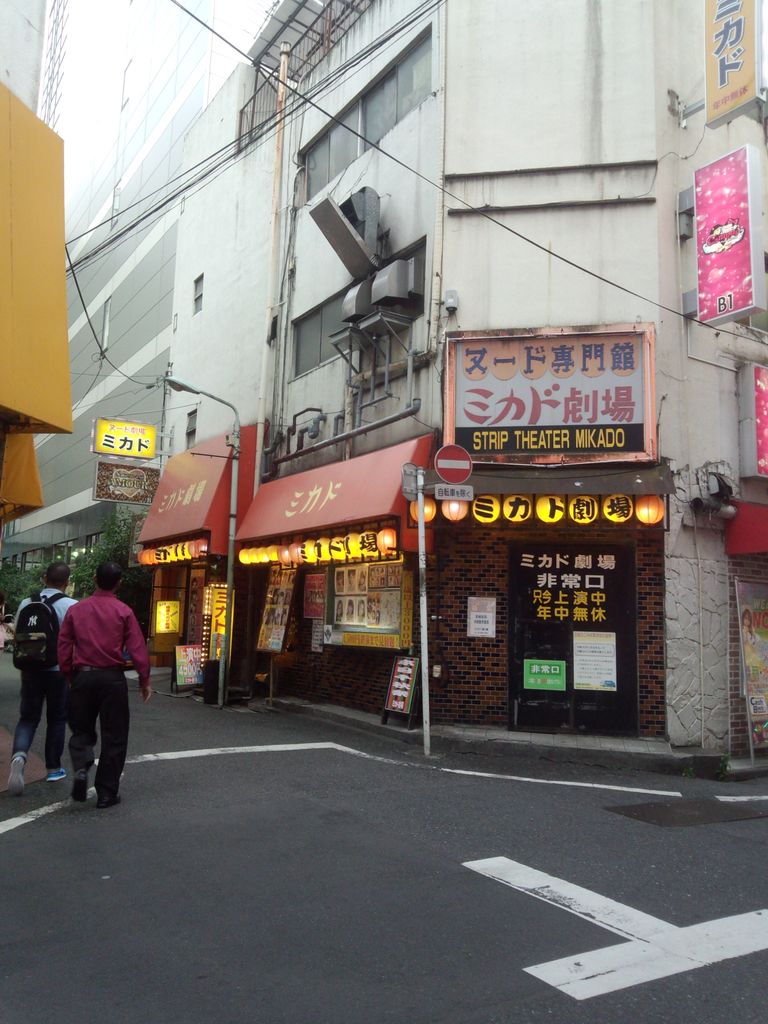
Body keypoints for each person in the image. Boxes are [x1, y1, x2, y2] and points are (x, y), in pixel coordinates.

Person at [57, 561, 152, 809]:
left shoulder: (77, 610)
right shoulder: (123, 611)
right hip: (112, 678)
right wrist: (144, 679)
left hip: (83, 676)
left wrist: (69, 674)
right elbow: (138, 648)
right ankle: (107, 793)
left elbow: (64, 644)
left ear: (94, 579)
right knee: (115, 735)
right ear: (119, 583)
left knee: (81, 729)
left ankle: (81, 765)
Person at [7, 564, 78, 795]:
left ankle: (19, 756)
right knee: (57, 718)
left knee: (27, 719)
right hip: (58, 670)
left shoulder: (27, 603)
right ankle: (54, 768)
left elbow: (18, 634)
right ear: (66, 581)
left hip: (29, 669)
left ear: (44, 578)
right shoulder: (71, 606)